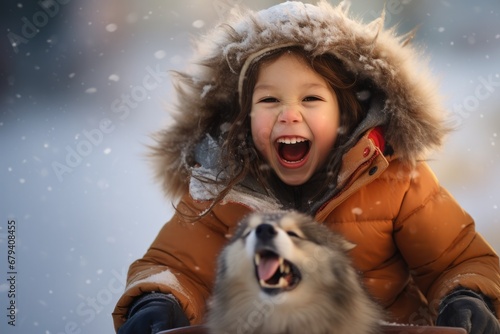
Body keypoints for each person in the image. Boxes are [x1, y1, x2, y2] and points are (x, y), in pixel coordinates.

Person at [113, 1, 500, 333]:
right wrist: (159, 301)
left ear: (344, 112)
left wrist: (465, 294)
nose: (289, 114)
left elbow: (458, 259)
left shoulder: (394, 179)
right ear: (244, 118)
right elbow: (176, 266)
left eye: (311, 98)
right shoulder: (221, 187)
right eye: (269, 101)